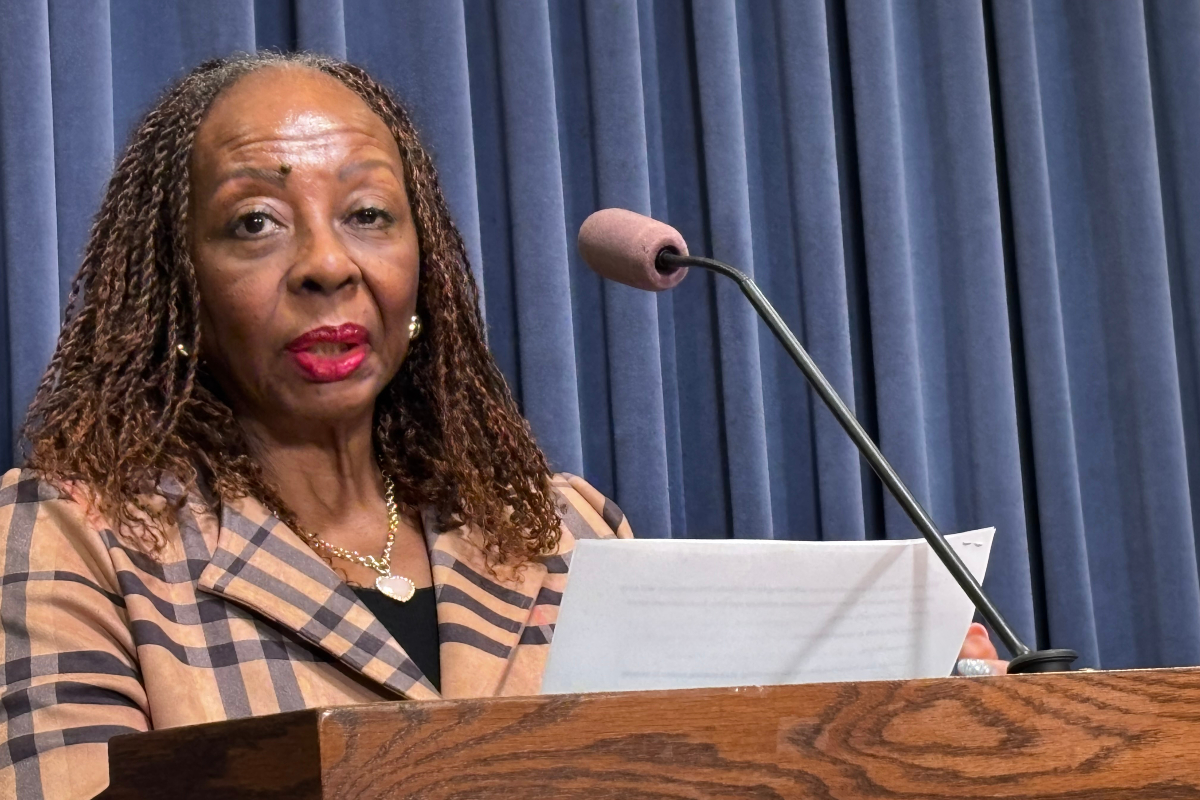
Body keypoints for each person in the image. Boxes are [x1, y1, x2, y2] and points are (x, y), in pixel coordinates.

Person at [0, 52, 998, 800]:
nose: (326, 265)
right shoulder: (83, 534)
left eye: (368, 216)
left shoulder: (559, 529)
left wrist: (926, 709)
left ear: (421, 267)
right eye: (255, 221)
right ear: (181, 289)